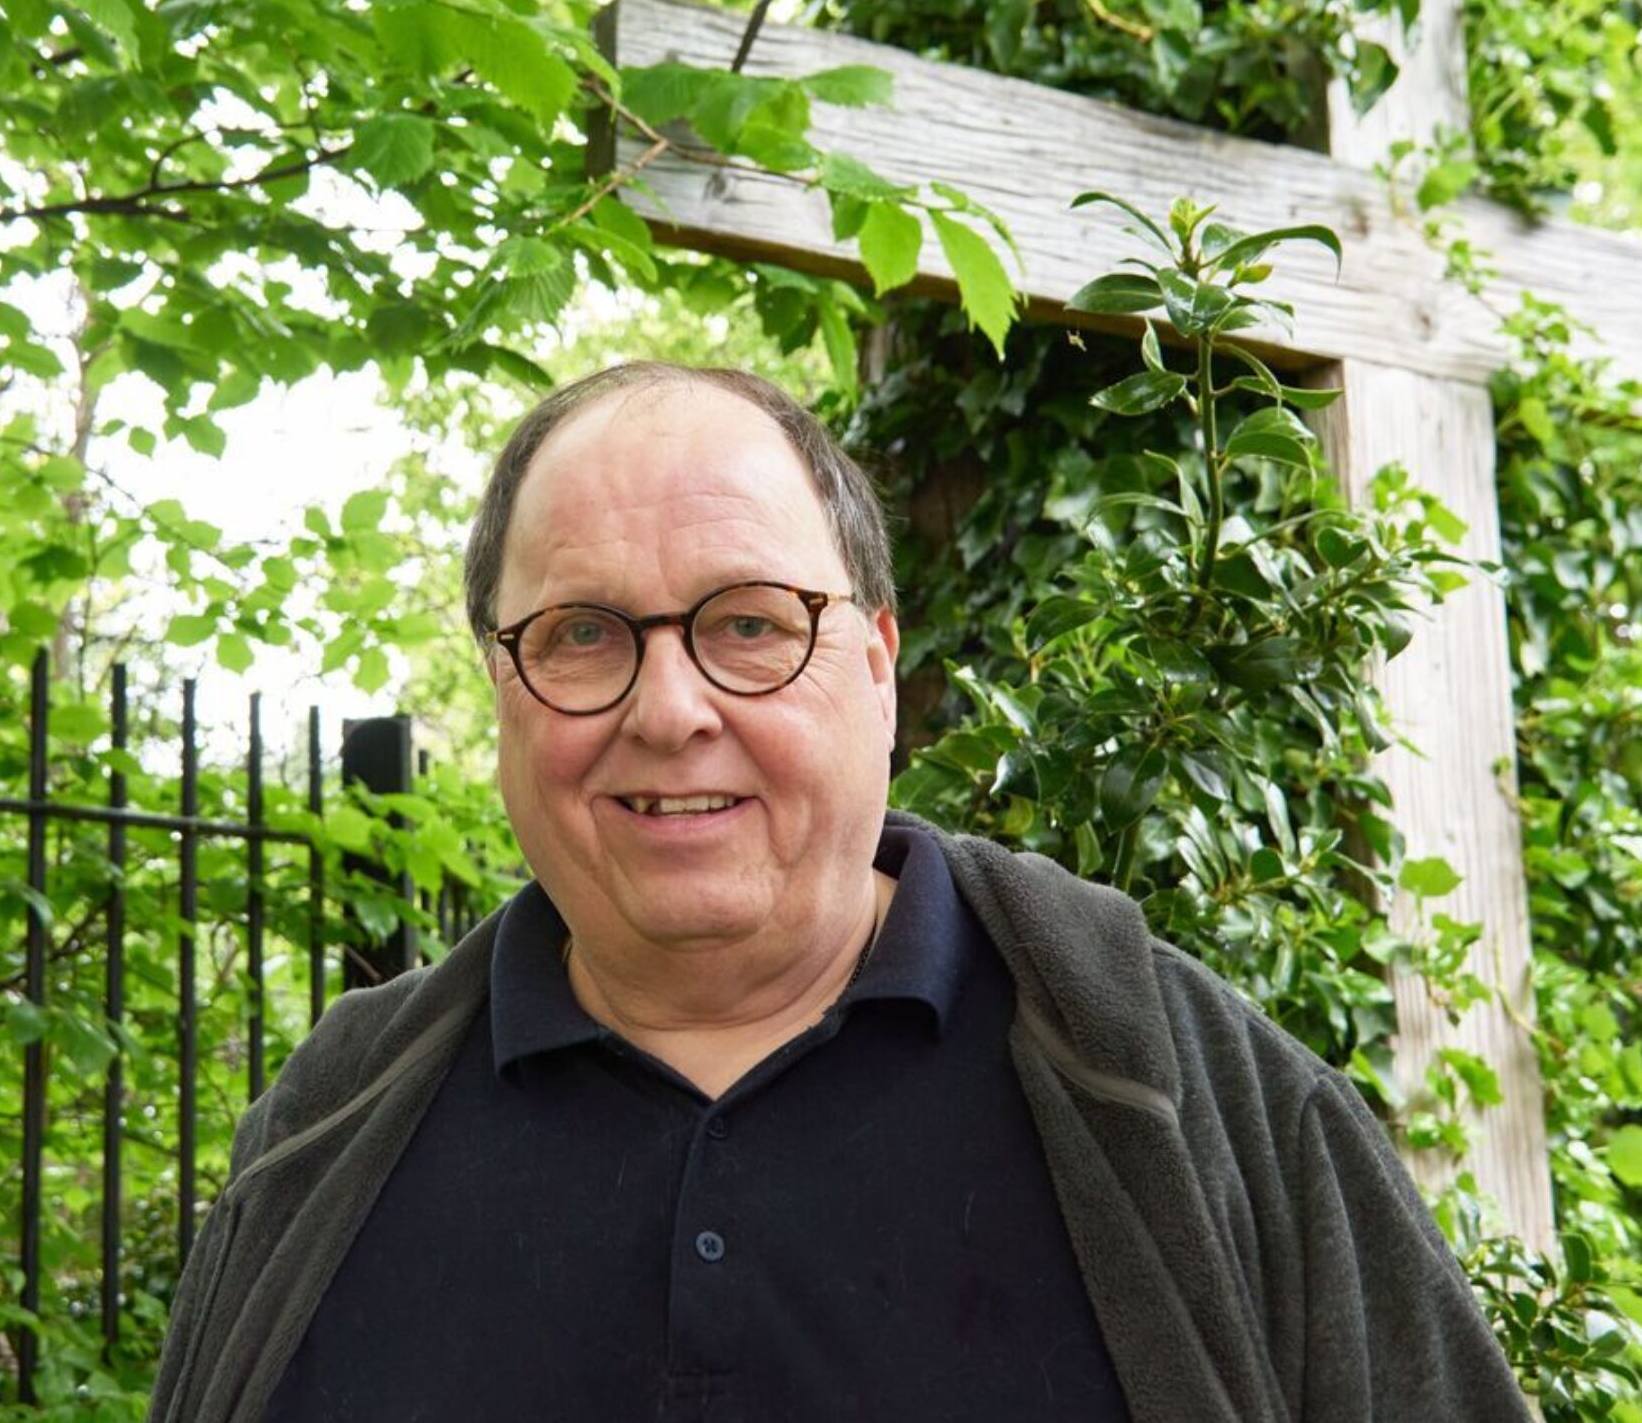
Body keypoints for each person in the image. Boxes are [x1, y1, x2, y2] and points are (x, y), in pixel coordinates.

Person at [148, 362, 1531, 1423]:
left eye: (748, 623)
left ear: (878, 666)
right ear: (504, 691)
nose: (670, 708)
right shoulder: (324, 1142)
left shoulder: (1202, 1109)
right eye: (582, 636)